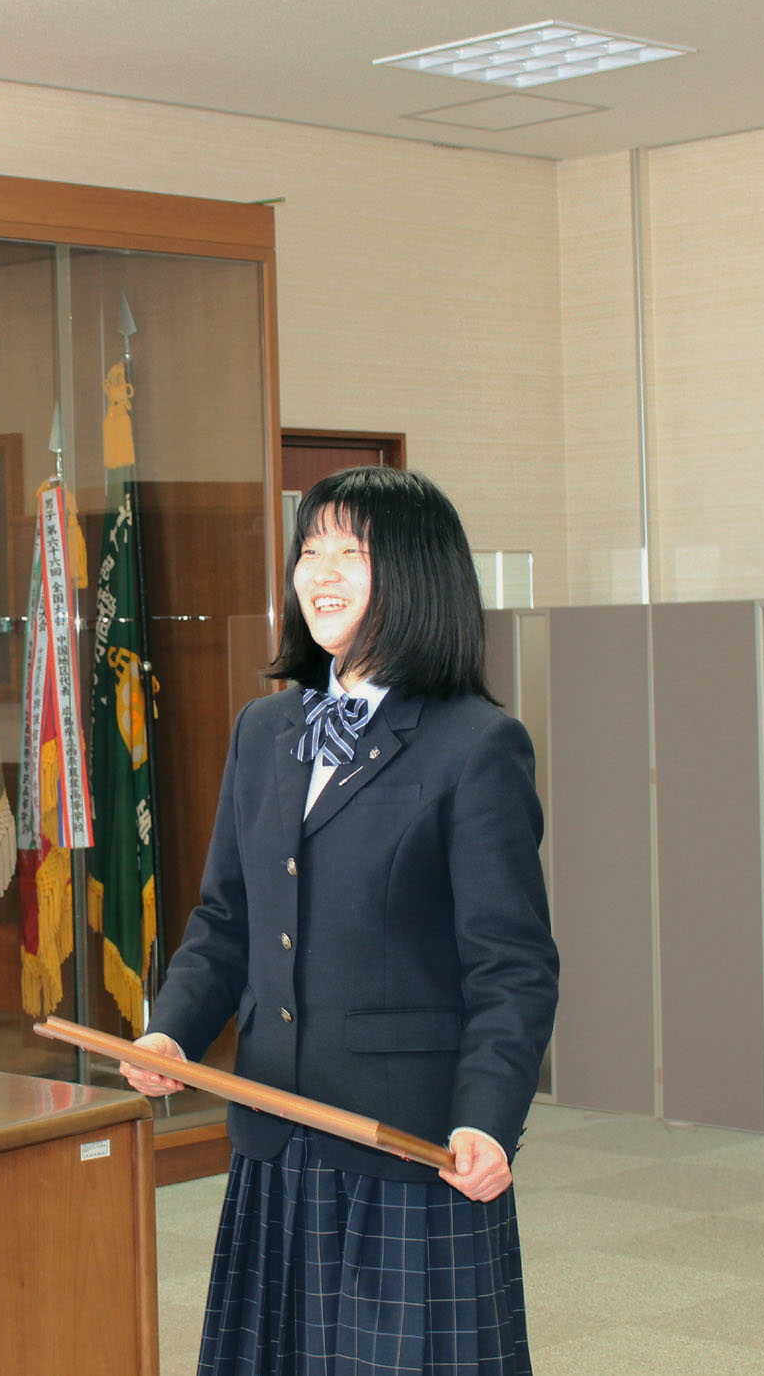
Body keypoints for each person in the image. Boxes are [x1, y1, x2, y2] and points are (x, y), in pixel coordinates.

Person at [122, 465, 558, 1375]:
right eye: (309, 550)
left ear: (417, 573)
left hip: (405, 1144)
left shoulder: (475, 744)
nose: (319, 573)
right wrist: (172, 1033)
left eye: (351, 553)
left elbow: (511, 966)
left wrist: (487, 1120)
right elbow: (227, 918)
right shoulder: (264, 730)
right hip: (273, 1128)